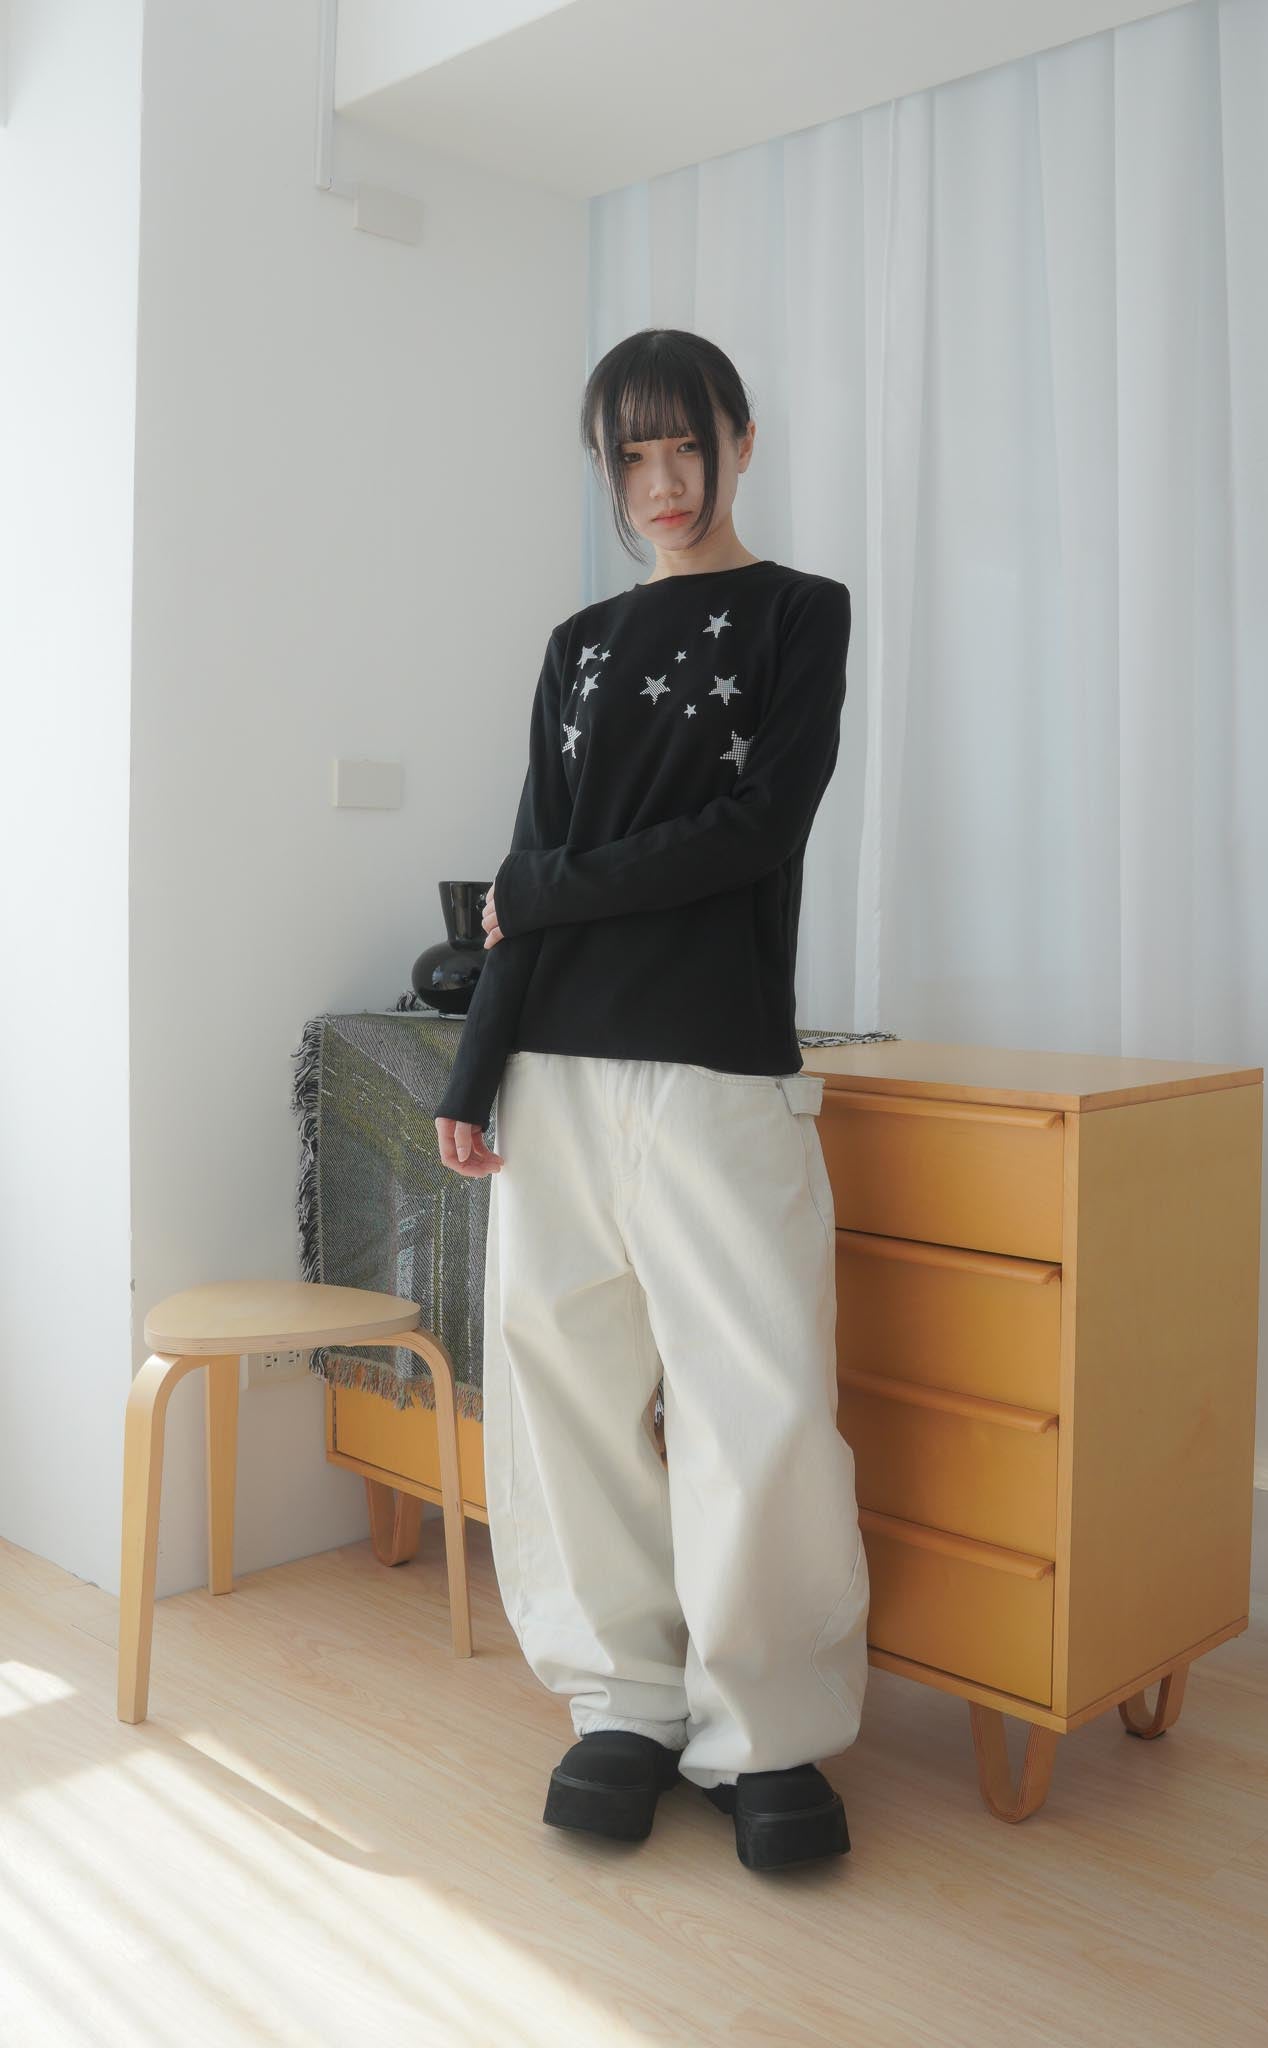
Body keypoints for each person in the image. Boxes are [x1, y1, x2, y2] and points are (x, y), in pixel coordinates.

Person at [432, 328, 868, 1873]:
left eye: (688, 444)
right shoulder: (578, 643)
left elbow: (754, 830)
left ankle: (768, 1729)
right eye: (633, 455)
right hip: (554, 1068)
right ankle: (619, 1702)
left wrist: (542, 891)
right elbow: (522, 865)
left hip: (714, 1064)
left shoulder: (798, 613)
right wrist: (476, 1066)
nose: (663, 480)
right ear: (608, 471)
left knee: (759, 1401)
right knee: (567, 1389)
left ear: (741, 441)